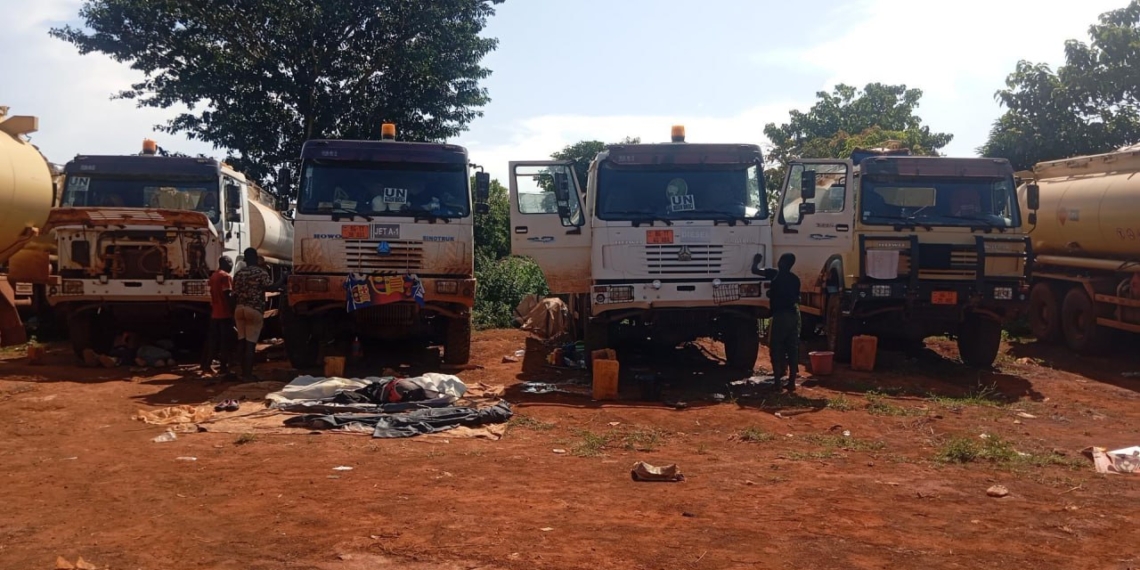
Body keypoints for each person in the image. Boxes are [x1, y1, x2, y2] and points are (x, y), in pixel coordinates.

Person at [232, 248, 286, 380]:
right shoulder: (260, 272)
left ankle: (238, 372)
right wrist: (283, 278)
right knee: (250, 345)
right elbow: (271, 287)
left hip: (239, 309)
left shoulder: (238, 274)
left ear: (245, 259)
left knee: (242, 342)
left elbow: (234, 293)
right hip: (254, 310)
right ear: (256, 259)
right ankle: (247, 375)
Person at [766, 253, 802, 392]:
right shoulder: (795, 279)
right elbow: (796, 297)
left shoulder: (776, 277)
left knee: (776, 348)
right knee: (792, 349)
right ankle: (791, 382)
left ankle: (777, 383)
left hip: (780, 316)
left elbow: (774, 294)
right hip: (793, 316)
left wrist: (756, 262)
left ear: (782, 262)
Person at [201, 255, 236, 378]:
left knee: (213, 341)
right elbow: (228, 295)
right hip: (225, 313)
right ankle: (223, 368)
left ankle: (206, 365)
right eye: (231, 263)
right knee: (225, 342)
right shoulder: (225, 277)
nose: (232, 266)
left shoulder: (214, 276)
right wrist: (233, 311)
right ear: (227, 264)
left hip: (215, 313)